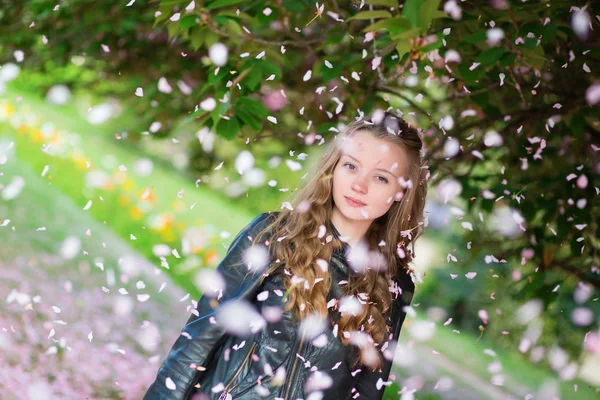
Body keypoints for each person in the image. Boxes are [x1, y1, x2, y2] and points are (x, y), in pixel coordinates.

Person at [143, 110, 428, 400]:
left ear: (400, 192)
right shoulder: (274, 234)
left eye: (381, 177)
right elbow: (198, 340)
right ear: (333, 168)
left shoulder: (394, 284)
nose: (360, 185)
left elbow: (368, 391)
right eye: (351, 166)